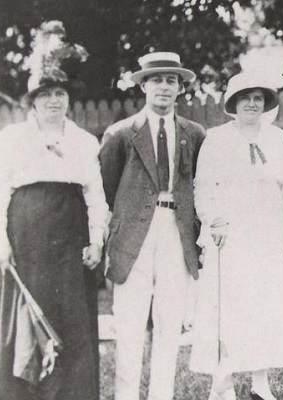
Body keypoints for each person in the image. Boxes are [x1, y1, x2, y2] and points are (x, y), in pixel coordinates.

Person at [0, 30, 107, 400]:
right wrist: (0, 242)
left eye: (60, 94)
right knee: (27, 317)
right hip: (26, 239)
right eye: (45, 95)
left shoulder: (84, 141)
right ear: (33, 102)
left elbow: (95, 196)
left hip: (71, 240)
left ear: (68, 99)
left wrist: (96, 240)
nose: (54, 101)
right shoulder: (10, 140)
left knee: (71, 318)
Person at [99, 52, 206, 400]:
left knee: (169, 323)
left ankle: (162, 395)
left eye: (171, 80)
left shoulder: (194, 133)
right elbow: (107, 190)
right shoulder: (120, 134)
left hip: (176, 232)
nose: (164, 86)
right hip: (134, 236)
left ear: (180, 88)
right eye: (156, 79)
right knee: (129, 324)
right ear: (143, 85)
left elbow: (199, 186)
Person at [189, 72, 283, 400]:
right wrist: (213, 221)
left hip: (266, 230)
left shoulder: (276, 137)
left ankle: (260, 382)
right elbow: (203, 185)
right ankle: (222, 381)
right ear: (234, 103)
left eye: (258, 98)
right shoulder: (217, 138)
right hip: (231, 231)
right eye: (245, 97)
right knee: (229, 304)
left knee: (264, 304)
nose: (252, 103)